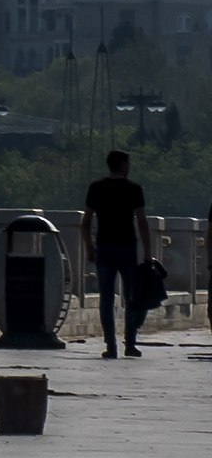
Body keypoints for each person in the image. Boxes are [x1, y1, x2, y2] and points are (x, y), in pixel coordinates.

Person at [84, 150, 154, 357]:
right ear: (122, 165)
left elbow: (86, 222)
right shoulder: (133, 189)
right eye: (128, 163)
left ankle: (110, 346)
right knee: (132, 297)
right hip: (127, 249)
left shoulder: (96, 188)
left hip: (104, 248)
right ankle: (130, 343)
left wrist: (89, 246)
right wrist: (148, 253)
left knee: (106, 298)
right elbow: (142, 222)